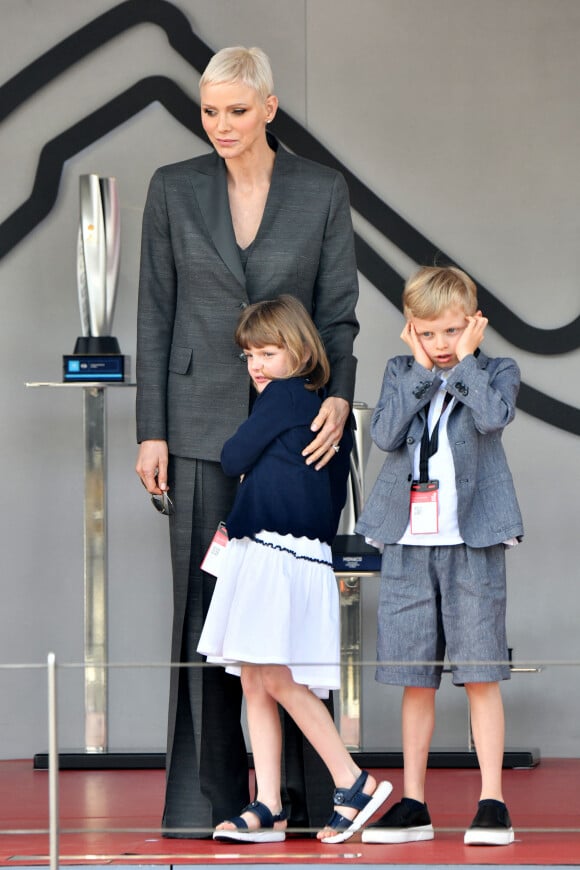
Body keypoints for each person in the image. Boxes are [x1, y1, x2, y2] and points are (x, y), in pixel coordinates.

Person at [135, 45, 359, 837]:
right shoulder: (172, 188)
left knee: (288, 617)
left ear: (268, 107)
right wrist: (151, 430)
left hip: (300, 434)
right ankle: (208, 800)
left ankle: (308, 795)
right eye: (209, 111)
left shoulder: (321, 189)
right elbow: (154, 315)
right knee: (209, 613)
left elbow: (338, 316)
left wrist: (339, 400)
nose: (221, 125)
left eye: (237, 109)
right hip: (195, 428)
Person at [197, 296, 391, 843]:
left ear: (299, 350)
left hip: (274, 555)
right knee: (258, 679)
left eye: (267, 351)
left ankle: (351, 781)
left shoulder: (284, 397)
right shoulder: (323, 408)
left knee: (272, 677)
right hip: (298, 556)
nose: (256, 365)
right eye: (249, 355)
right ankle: (268, 804)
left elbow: (233, 456)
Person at [355, 265, 523, 847]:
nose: (441, 345)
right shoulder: (404, 372)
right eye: (427, 334)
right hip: (407, 543)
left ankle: (493, 801)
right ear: (411, 332)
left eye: (452, 332)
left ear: (474, 325)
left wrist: (467, 363)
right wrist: (423, 371)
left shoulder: (494, 371)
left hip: (473, 543)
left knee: (481, 674)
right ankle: (414, 803)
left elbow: (493, 417)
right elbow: (384, 435)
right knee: (413, 678)